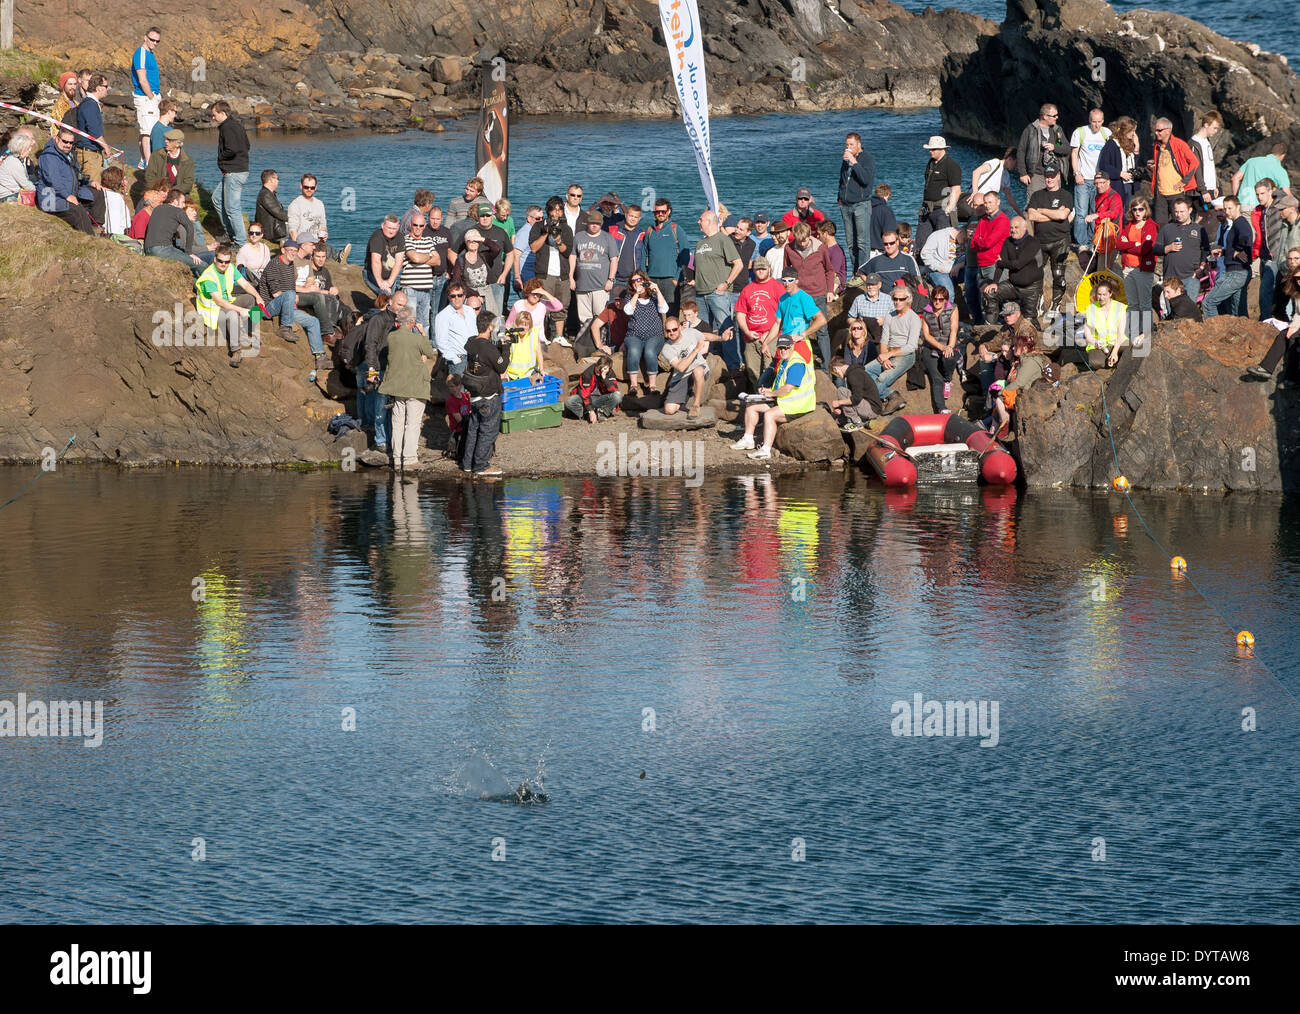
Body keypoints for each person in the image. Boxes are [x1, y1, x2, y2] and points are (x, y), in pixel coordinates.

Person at [729, 335, 816, 460]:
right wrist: (768, 391)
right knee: (751, 405)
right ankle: (748, 439)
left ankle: (766, 449)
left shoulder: (796, 364)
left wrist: (771, 394)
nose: (783, 350)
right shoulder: (784, 361)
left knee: (770, 414)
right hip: (785, 401)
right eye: (780, 348)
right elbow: (781, 385)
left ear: (792, 347)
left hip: (798, 406)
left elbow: (788, 388)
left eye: (786, 348)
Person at [379, 304, 437, 470]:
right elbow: (430, 352)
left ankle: (397, 459)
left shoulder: (391, 337)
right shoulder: (417, 339)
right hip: (416, 388)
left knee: (397, 422)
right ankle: (410, 459)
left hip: (397, 387)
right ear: (412, 322)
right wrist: (423, 333)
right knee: (412, 423)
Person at [256, 238, 326, 363]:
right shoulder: (274, 264)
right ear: (283, 250)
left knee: (313, 321)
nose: (293, 253)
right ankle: (285, 328)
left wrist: (293, 299)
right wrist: (292, 297)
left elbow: (290, 288)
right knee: (289, 294)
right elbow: (276, 293)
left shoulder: (290, 265)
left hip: (286, 306)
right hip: (268, 307)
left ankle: (320, 356)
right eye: (290, 250)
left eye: (295, 251)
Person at [459, 310, 510, 477]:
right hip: (488, 395)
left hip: (474, 394)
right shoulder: (487, 347)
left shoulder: (472, 343)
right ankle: (481, 465)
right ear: (490, 326)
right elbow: (501, 367)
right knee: (488, 430)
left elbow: (484, 359)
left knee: (474, 429)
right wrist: (506, 347)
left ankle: (468, 463)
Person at [195, 244, 262, 367]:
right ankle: (236, 350)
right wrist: (241, 310)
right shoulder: (209, 277)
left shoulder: (230, 268)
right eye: (220, 261)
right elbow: (219, 302)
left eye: (226, 262)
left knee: (251, 299)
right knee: (232, 314)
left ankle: (250, 331)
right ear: (215, 259)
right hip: (213, 309)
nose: (223, 264)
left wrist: (258, 297)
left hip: (227, 302)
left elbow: (245, 285)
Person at [356, 290, 406, 455]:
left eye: (404, 306)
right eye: (399, 304)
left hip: (394, 369)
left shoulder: (400, 322)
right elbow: (370, 344)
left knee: (393, 407)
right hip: (378, 367)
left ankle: (391, 439)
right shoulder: (378, 319)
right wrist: (371, 369)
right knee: (380, 407)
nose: (401, 308)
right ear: (390, 302)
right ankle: (381, 441)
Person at [784, 222, 835, 370]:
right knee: (796, 329)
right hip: (799, 294)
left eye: (805, 240)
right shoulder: (789, 248)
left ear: (810, 236)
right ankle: (800, 362)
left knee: (822, 330)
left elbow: (829, 270)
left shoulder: (820, 248)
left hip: (818, 294)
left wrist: (830, 290)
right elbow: (787, 271)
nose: (803, 244)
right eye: (799, 241)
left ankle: (826, 367)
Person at [1026, 166, 1074, 314]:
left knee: (1058, 274)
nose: (1049, 179)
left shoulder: (1066, 195)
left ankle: (1055, 306)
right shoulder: (1037, 195)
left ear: (1058, 176)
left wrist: (1042, 210)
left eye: (1052, 176)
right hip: (1040, 241)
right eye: (1047, 176)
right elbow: (1032, 216)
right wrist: (1054, 214)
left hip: (1060, 240)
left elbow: (1062, 216)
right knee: (1036, 274)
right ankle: (1038, 303)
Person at [36, 127, 104, 233]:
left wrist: (90, 183)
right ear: (57, 139)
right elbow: (54, 181)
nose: (68, 145)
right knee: (77, 210)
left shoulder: (70, 154)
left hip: (71, 193)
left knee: (97, 193)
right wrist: (67, 196)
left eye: (71, 142)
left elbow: (77, 175)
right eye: (65, 141)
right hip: (51, 199)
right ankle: (90, 239)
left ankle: (97, 227)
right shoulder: (49, 156)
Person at [693, 209, 744, 346]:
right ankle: (705, 362)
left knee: (726, 330)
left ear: (709, 221)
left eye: (701, 219)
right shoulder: (699, 243)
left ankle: (733, 365)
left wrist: (726, 284)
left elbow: (738, 264)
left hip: (718, 294)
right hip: (700, 295)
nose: (698, 222)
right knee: (702, 332)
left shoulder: (723, 239)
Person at [1246, 259, 1300, 383]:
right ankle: (1266, 368)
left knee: (1294, 339)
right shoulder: (1297, 293)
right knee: (1283, 335)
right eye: (1296, 279)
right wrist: (1293, 325)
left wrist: (1296, 326)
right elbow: (1297, 313)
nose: (1299, 281)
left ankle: (1292, 377)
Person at [982, 215, 1043, 326]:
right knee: (990, 293)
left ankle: (1036, 337)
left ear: (1025, 228)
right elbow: (1000, 265)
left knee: (1029, 322)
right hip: (1013, 285)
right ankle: (991, 326)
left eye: (1016, 227)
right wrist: (995, 282)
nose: (1013, 230)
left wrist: (1000, 262)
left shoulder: (1033, 242)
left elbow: (1018, 264)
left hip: (1031, 288)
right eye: (1011, 228)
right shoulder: (1008, 242)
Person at [735, 258, 785, 390]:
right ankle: (758, 397)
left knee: (769, 370)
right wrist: (746, 331)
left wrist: (769, 336)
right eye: (758, 269)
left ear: (769, 269)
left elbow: (784, 314)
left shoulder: (778, 287)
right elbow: (740, 313)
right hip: (751, 338)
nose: (761, 271)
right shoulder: (747, 289)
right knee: (752, 371)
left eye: (763, 268)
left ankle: (770, 398)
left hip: (772, 337)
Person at [865, 285, 921, 402]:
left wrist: (888, 355)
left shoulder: (914, 318)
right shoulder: (889, 316)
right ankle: (891, 395)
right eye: (895, 299)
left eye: (901, 299)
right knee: (865, 372)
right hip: (888, 353)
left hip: (905, 355)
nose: (897, 302)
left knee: (882, 378)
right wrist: (885, 358)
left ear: (908, 300)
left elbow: (911, 346)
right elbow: (884, 340)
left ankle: (865, 397)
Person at [528, 196, 574, 337]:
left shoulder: (566, 229)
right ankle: (542, 337)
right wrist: (546, 233)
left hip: (562, 275)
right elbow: (534, 248)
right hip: (544, 274)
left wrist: (559, 241)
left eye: (559, 210)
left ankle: (558, 338)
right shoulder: (538, 226)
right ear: (548, 211)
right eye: (554, 210)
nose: (556, 213)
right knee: (542, 307)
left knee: (561, 307)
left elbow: (567, 252)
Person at [1115, 197, 1158, 345]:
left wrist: (1129, 245)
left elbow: (1146, 249)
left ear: (1146, 210)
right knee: (1132, 303)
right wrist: (1135, 244)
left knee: (1144, 304)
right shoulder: (1129, 225)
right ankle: (1133, 332)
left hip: (1143, 269)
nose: (1138, 212)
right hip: (1127, 268)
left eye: (1141, 209)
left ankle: (1146, 332)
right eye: (1135, 209)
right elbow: (1119, 245)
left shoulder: (1151, 226)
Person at [1202, 196, 1254, 318]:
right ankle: (1242, 336)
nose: (1227, 212)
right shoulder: (1235, 223)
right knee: (1238, 312)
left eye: (1230, 208)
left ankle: (1214, 334)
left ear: (1238, 207)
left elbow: (1246, 236)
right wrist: (1225, 252)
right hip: (1238, 271)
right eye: (1225, 209)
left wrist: (1238, 249)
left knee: (1208, 303)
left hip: (1236, 272)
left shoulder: (1240, 223)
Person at [621, 271, 669, 397]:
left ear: (645, 280)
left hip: (655, 335)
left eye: (640, 280)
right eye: (634, 281)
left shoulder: (653, 296)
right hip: (634, 335)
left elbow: (664, 309)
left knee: (649, 351)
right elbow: (628, 311)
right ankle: (633, 386)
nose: (637, 282)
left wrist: (657, 290)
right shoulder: (629, 297)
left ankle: (652, 386)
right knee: (634, 351)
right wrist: (636, 294)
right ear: (631, 284)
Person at [1148, 118, 1203, 225]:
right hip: (1160, 192)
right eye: (1156, 130)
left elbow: (1194, 162)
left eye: (1159, 130)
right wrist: (1153, 166)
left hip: (1176, 192)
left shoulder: (1179, 144)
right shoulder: (1157, 145)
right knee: (1160, 225)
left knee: (1179, 223)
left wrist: (1184, 181)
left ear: (1168, 131)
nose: (1156, 133)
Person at [1154, 196, 1210, 300]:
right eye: (1176, 212)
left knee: (1189, 311)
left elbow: (1206, 251)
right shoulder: (1167, 228)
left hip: (1191, 277)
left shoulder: (1199, 229)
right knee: (1172, 310)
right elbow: (1155, 249)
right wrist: (1168, 248)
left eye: (1182, 211)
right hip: (1170, 278)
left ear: (1190, 210)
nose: (1178, 215)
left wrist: (1201, 268)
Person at [570, 208, 619, 326]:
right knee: (584, 319)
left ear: (601, 224)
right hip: (581, 285)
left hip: (600, 286)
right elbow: (572, 256)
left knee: (600, 317)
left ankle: (600, 342)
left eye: (597, 223)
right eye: (592, 223)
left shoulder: (608, 238)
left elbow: (614, 259)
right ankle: (586, 343)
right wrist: (571, 277)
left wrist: (611, 279)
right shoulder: (578, 237)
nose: (594, 226)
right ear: (587, 222)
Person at [211, 100, 250, 247]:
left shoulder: (227, 127)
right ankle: (230, 233)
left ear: (223, 113)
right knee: (216, 199)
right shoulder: (236, 125)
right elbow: (247, 146)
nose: (213, 118)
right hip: (235, 171)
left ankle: (240, 242)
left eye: (214, 115)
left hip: (234, 172)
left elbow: (232, 149)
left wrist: (221, 158)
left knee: (232, 208)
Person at [1070, 108, 1111, 248]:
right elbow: (1074, 153)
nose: (1096, 125)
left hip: (1099, 180)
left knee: (1096, 212)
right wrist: (1076, 173)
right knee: (1081, 212)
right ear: (1089, 120)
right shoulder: (1080, 132)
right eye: (1094, 122)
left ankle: (1092, 241)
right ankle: (1081, 243)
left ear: (1103, 121)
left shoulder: (1107, 133)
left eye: (1099, 122)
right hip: (1083, 178)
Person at [919, 286, 962, 413]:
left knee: (949, 357)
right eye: (934, 299)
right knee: (936, 378)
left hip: (949, 343)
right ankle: (942, 409)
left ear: (946, 300)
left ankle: (948, 379)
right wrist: (941, 347)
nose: (937, 302)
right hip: (931, 346)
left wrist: (949, 347)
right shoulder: (926, 312)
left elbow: (954, 330)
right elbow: (926, 335)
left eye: (941, 299)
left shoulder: (953, 308)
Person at [837, 131, 876, 275]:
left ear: (858, 144)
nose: (848, 147)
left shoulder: (867, 159)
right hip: (846, 205)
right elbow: (842, 180)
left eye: (851, 144)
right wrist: (839, 198)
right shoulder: (845, 160)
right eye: (847, 144)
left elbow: (866, 180)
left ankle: (864, 273)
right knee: (850, 242)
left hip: (861, 204)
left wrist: (854, 162)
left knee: (862, 242)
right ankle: (856, 272)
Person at [287, 174, 348, 263]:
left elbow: (323, 225)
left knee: (325, 248)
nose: (309, 189)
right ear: (301, 186)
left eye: (312, 187)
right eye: (306, 187)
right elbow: (293, 231)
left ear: (316, 187)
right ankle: (336, 256)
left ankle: (337, 256)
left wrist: (324, 235)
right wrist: (298, 250)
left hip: (317, 242)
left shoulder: (319, 204)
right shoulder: (295, 205)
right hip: (304, 244)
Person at [969, 192, 1010, 323]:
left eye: (990, 202)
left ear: (998, 202)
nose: (987, 205)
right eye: (985, 202)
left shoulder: (1003, 220)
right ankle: (988, 328)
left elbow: (988, 242)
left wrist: (980, 240)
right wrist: (981, 241)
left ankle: (1004, 325)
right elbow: (973, 243)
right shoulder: (983, 220)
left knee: (997, 297)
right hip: (982, 265)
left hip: (994, 265)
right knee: (985, 299)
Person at [1016, 103, 1072, 200]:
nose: (1057, 118)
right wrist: (1023, 173)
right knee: (1032, 206)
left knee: (1054, 205)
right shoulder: (1030, 129)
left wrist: (1054, 147)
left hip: (1054, 175)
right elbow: (1021, 151)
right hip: (1036, 175)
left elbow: (1067, 149)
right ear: (1045, 116)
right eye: (1054, 116)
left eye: (1057, 115)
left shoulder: (1057, 130)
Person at [661, 316, 713, 418]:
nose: (672, 332)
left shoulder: (690, 332)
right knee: (669, 410)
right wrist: (696, 349)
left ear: (680, 328)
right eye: (668, 331)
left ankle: (696, 405)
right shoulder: (666, 348)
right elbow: (680, 368)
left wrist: (721, 338)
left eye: (674, 329)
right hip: (681, 376)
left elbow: (705, 336)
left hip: (697, 370)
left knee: (698, 370)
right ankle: (686, 394)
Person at [917, 135, 962, 251]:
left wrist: (949, 209)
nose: (930, 151)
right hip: (926, 210)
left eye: (933, 149)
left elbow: (956, 189)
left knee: (942, 246)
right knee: (921, 245)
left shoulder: (951, 165)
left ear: (943, 149)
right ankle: (922, 267)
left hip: (942, 211)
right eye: (930, 149)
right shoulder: (931, 163)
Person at [400, 212, 439, 336]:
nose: (418, 228)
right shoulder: (405, 240)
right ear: (410, 225)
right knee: (410, 321)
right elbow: (414, 257)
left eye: (421, 226)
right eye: (415, 225)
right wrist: (429, 256)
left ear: (425, 226)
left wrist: (420, 257)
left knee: (424, 323)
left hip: (426, 289)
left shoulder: (428, 240)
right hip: (410, 288)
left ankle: (423, 349)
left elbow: (438, 260)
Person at [144, 189, 202, 270]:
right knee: (201, 265)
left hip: (148, 249)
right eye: (182, 202)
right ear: (175, 201)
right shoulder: (178, 211)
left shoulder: (157, 208)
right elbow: (190, 228)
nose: (183, 205)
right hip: (163, 249)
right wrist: (189, 252)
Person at [644, 197, 684, 312]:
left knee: (671, 314)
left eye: (663, 211)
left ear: (669, 212)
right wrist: (645, 277)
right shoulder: (650, 231)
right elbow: (643, 255)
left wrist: (676, 278)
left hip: (670, 280)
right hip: (651, 279)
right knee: (651, 313)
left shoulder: (676, 229)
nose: (660, 214)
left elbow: (685, 256)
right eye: (657, 212)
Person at [1080, 280, 1131, 368]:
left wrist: (1115, 352)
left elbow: (1120, 334)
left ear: (1110, 294)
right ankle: (1109, 360)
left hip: (1118, 342)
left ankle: (1114, 358)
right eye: (1099, 294)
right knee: (1095, 363)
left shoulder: (1120, 307)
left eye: (1104, 295)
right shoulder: (1090, 309)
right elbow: (1087, 334)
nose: (1101, 297)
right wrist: (1095, 342)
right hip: (1100, 345)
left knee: (1131, 350)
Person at [131, 27, 162, 168]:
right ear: (145, 37)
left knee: (148, 129)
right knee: (147, 132)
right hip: (145, 97)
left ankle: (145, 160)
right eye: (152, 39)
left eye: (157, 41)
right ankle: (148, 163)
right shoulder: (141, 53)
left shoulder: (150, 53)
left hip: (152, 96)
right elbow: (142, 79)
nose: (154, 43)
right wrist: (151, 97)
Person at [1252, 180, 1283, 320]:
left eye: (1263, 193)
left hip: (1276, 256)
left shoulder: (1278, 206)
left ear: (1271, 192)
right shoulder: (1261, 209)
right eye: (1257, 194)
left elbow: (1290, 200)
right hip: (1264, 256)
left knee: (1265, 291)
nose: (1259, 197)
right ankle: (1272, 319)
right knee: (1272, 292)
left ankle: (1266, 321)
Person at [1097, 115, 1140, 214]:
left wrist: (1136, 146)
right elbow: (1104, 165)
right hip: (1118, 184)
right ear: (1125, 131)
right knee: (1119, 212)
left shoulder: (1130, 143)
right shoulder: (1111, 144)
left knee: (1130, 213)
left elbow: (1134, 163)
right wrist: (1119, 173)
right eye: (1132, 131)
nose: (1134, 134)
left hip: (1130, 183)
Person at [433, 282, 478, 375]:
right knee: (457, 389)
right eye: (453, 296)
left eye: (460, 295)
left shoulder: (470, 310)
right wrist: (455, 359)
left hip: (474, 358)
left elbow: (475, 332)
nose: (457, 298)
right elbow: (441, 342)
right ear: (449, 297)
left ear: (464, 296)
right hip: (458, 360)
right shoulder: (443, 316)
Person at [1233, 143, 1292, 211]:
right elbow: (1286, 193)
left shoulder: (1251, 161)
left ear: (1271, 152)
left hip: (1242, 204)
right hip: (1260, 208)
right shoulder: (1280, 170)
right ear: (1283, 155)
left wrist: (1235, 199)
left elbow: (1235, 178)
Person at [565, 354, 623, 423]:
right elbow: (585, 394)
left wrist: (604, 378)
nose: (599, 371)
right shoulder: (587, 373)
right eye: (598, 369)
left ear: (608, 369)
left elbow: (614, 389)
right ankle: (586, 414)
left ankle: (602, 412)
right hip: (586, 399)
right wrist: (590, 411)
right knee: (569, 401)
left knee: (618, 396)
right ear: (596, 365)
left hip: (600, 399)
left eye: (604, 369)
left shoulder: (610, 373)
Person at [1084, 171, 1123, 271]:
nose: (1099, 186)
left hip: (1111, 238)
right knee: (1099, 267)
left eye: (1102, 183)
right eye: (1096, 183)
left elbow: (1113, 213)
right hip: (1100, 237)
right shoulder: (1097, 196)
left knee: (1105, 269)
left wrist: (1096, 215)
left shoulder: (1115, 196)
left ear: (1108, 182)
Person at [919, 223, 966, 301]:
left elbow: (969, 258)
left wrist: (959, 265)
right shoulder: (938, 235)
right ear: (960, 231)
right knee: (948, 293)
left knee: (975, 277)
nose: (965, 243)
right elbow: (925, 254)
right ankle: (947, 312)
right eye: (965, 240)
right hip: (940, 271)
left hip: (958, 270)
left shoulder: (966, 238)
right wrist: (940, 268)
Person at [847, 272, 893, 350]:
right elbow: (849, 318)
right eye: (868, 284)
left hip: (883, 337)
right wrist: (858, 323)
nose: (870, 287)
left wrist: (886, 320)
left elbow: (897, 318)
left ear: (879, 285)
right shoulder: (859, 299)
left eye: (873, 284)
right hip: (864, 337)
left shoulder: (888, 299)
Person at [364, 214, 406, 297]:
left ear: (398, 227)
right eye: (389, 228)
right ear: (382, 225)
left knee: (393, 297)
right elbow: (376, 261)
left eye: (394, 229)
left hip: (389, 277)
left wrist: (390, 282)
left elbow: (399, 262)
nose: (391, 231)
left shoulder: (400, 238)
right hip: (372, 274)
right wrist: (380, 283)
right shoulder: (377, 237)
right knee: (386, 294)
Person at [972, 147, 1022, 216]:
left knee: (1008, 210)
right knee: (1007, 210)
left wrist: (1020, 214)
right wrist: (975, 193)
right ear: (1010, 159)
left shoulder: (1006, 175)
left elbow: (1009, 196)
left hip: (988, 202)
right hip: (980, 200)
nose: (1016, 167)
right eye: (1016, 163)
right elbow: (976, 172)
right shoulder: (995, 163)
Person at [144, 129, 195, 196]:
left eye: (169, 140)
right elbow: (149, 176)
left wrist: (172, 192)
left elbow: (188, 184)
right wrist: (159, 190)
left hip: (177, 194)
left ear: (178, 144)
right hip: (158, 192)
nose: (166, 141)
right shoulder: (156, 155)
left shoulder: (188, 161)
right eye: (166, 139)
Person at [1190, 110, 1223, 206]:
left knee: (1210, 216)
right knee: (1204, 216)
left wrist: (1215, 186)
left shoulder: (1207, 141)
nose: (1216, 131)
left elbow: (1210, 165)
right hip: (1201, 190)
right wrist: (1203, 191)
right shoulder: (1194, 143)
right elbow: (1196, 169)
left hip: (1210, 187)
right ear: (1206, 125)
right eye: (1214, 128)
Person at [0, 130, 37, 201]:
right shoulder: (14, 162)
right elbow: (25, 185)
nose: (30, 150)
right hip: (8, 195)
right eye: (28, 148)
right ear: (22, 149)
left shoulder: (13, 158)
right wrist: (39, 190)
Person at [98, 165, 132, 240]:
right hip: (115, 236)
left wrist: (123, 194)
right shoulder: (117, 198)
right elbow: (122, 223)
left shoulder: (97, 192)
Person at [254, 169, 288, 243]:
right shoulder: (265, 195)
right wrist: (296, 216)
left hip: (274, 229)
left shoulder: (268, 193)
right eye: (277, 178)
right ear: (271, 180)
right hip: (272, 232)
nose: (278, 181)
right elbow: (280, 214)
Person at [236, 220, 271, 286]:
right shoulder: (244, 250)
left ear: (261, 235)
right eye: (251, 233)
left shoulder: (265, 248)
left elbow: (269, 267)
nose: (254, 235)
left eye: (257, 233)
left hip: (265, 278)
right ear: (248, 234)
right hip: (251, 281)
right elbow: (239, 271)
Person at [867, 183, 897, 260]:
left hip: (863, 250)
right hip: (879, 252)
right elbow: (889, 234)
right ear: (887, 195)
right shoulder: (886, 211)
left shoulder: (865, 207)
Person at [50, 73, 79, 141]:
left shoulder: (77, 104)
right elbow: (65, 127)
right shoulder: (59, 105)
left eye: (75, 84)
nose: (73, 87)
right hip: (63, 143)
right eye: (70, 84)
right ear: (63, 86)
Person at [148, 98, 179, 164]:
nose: (175, 115)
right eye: (175, 112)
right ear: (169, 111)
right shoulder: (158, 130)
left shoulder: (169, 129)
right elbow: (157, 156)